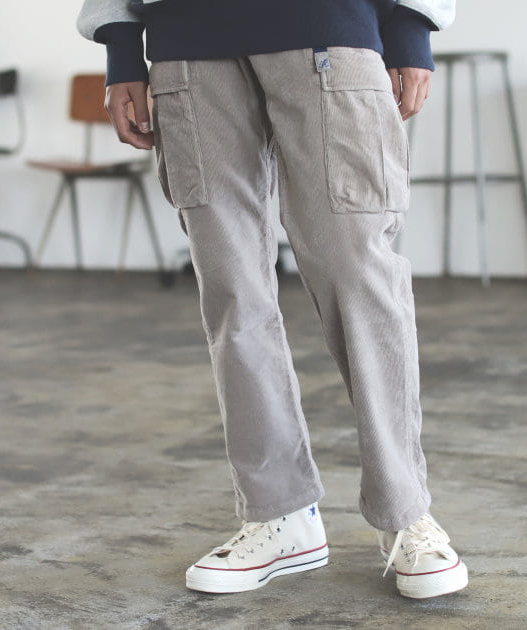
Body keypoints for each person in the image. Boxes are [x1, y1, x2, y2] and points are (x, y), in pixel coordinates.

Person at [76, 0, 467, 599]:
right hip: (186, 46)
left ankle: (405, 511)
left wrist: (411, 24)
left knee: (359, 277)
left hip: (327, 28)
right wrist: (121, 46)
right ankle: (279, 514)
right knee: (232, 291)